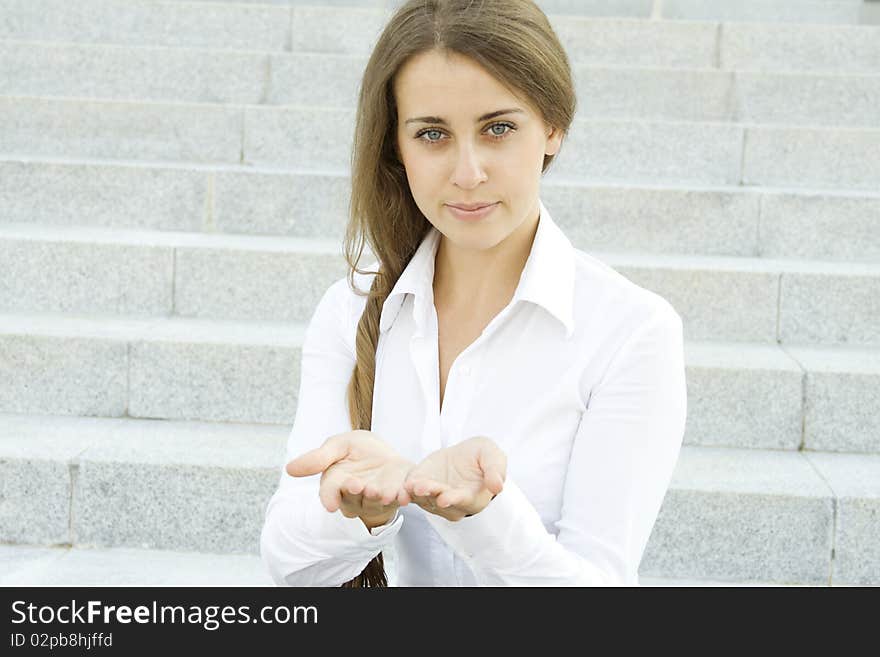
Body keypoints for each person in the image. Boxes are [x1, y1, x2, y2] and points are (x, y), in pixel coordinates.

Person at [260, 0, 687, 587]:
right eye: (432, 134)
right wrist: (363, 515)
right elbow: (289, 564)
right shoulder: (350, 311)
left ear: (553, 127)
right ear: (397, 148)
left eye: (498, 129)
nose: (467, 172)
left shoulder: (630, 330)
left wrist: (484, 516)